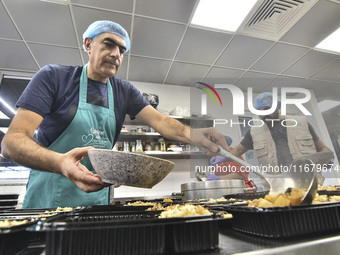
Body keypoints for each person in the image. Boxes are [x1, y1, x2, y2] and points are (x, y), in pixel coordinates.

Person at [1, 20, 229, 209]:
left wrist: (195, 134)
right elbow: (12, 143)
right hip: (48, 203)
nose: (115, 54)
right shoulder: (54, 78)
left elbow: (160, 121)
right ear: (88, 44)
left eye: (122, 50)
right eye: (108, 44)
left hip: (97, 206)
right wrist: (61, 163)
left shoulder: (124, 91)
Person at [217, 92, 332, 173]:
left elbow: (323, 148)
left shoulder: (301, 124)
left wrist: (326, 158)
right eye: (259, 111)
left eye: (267, 109)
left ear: (277, 107)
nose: (264, 114)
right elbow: (237, 151)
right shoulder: (254, 132)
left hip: (308, 181)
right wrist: (222, 158)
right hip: (277, 186)